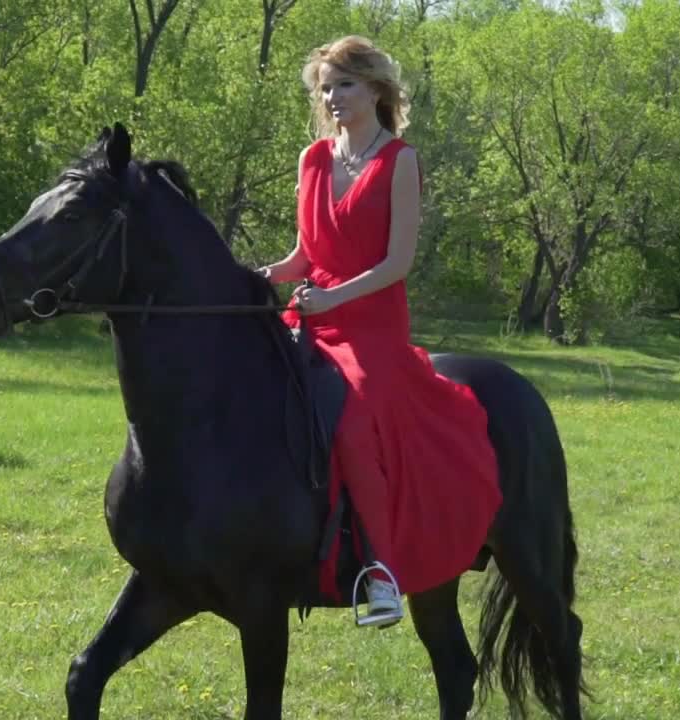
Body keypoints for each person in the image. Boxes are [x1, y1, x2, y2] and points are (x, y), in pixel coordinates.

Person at [258, 36, 503, 628]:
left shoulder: (400, 161)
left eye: (344, 83)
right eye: (325, 86)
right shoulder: (313, 159)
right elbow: (302, 256)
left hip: (371, 327)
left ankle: (380, 572)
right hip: (312, 315)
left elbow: (397, 263)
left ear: (375, 89)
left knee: (353, 414)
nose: (332, 96)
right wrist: (254, 277)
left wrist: (332, 296)